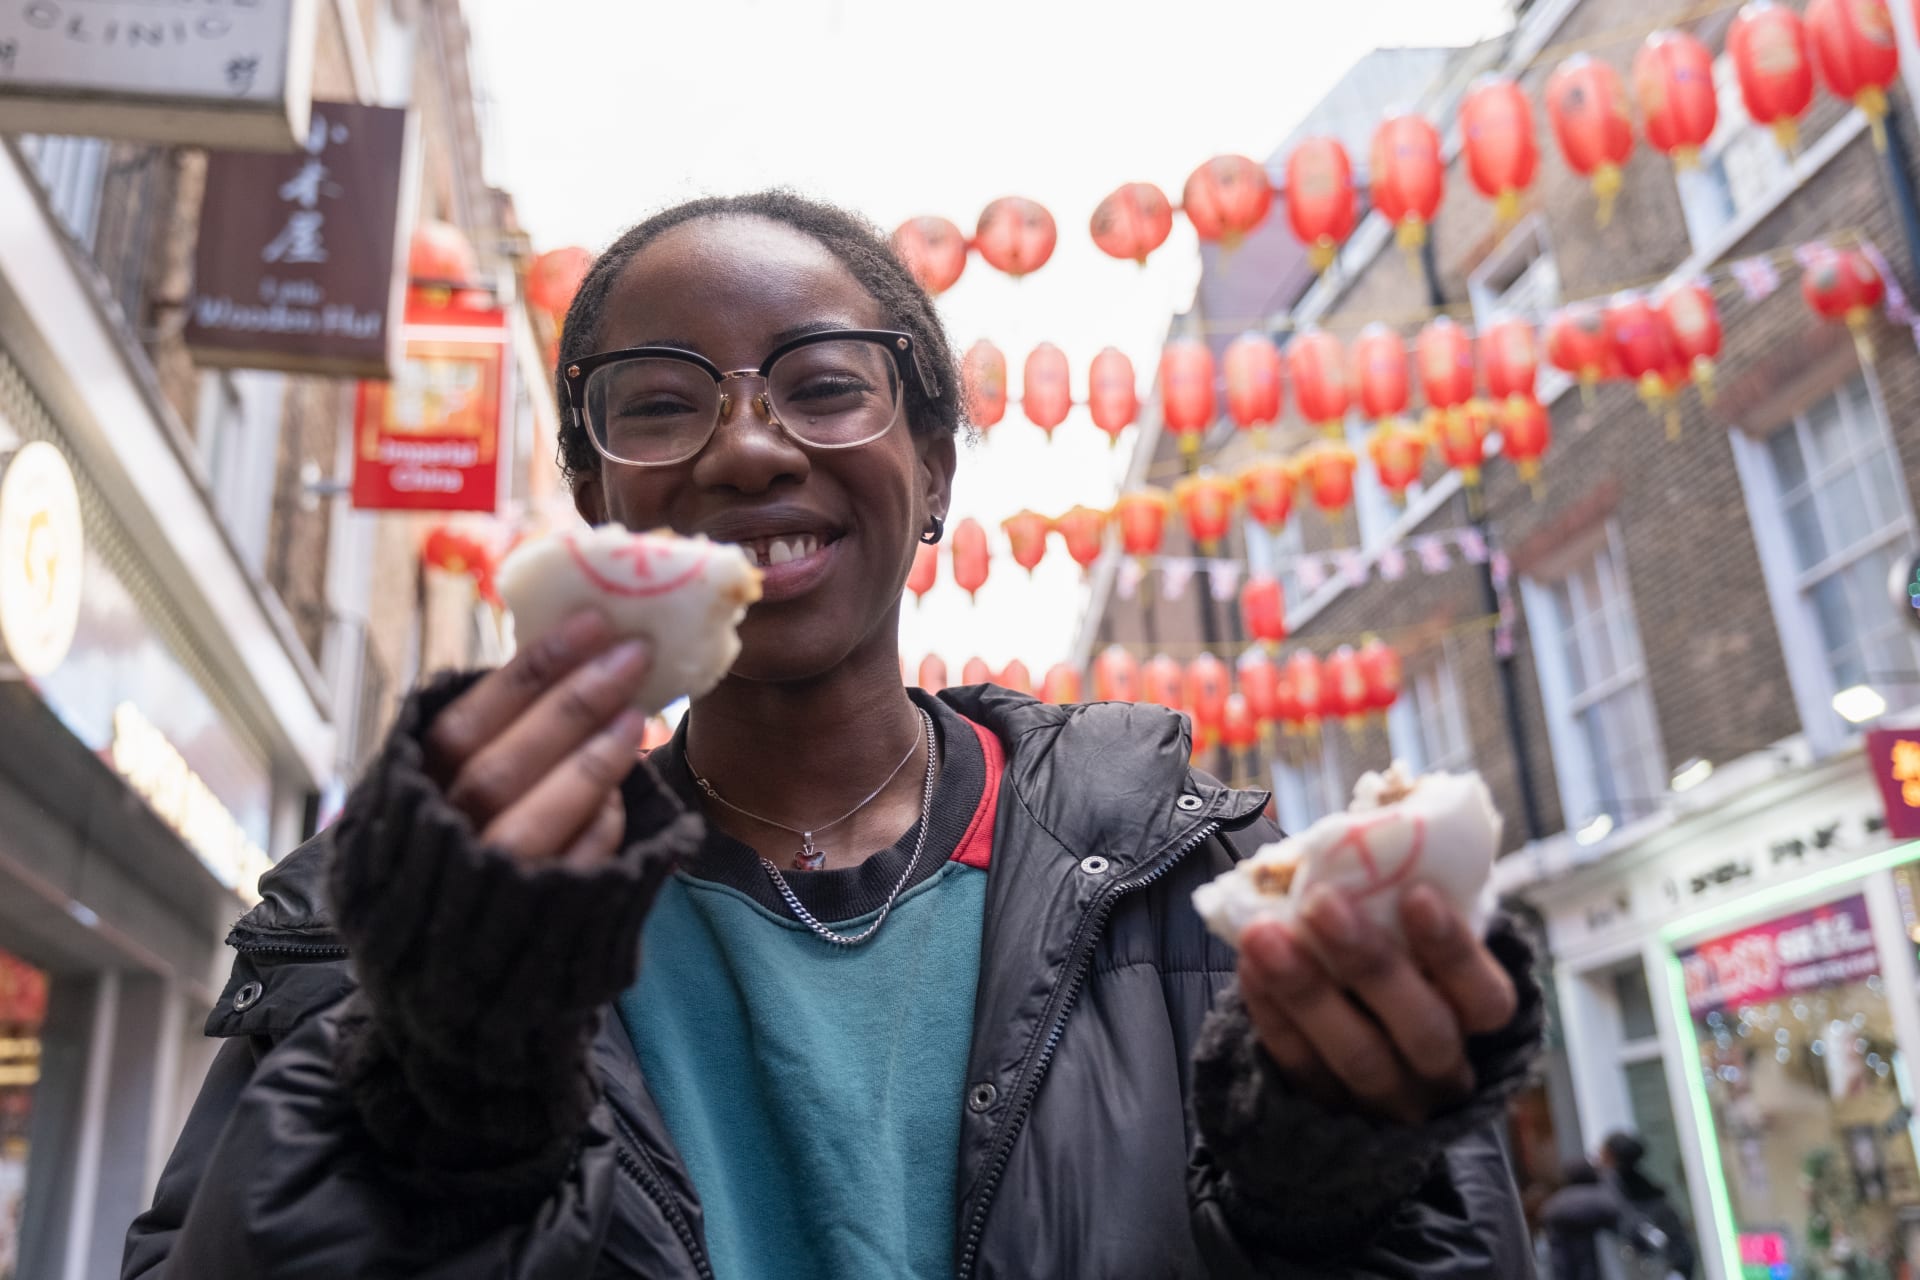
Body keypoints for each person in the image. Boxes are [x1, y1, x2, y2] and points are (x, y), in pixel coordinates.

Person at [123, 190, 1544, 1278]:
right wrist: (439, 1082)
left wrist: (1326, 1171)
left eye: (822, 386)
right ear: (597, 497)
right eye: (661, 404)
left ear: (932, 470)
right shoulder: (409, 929)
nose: (748, 448)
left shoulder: (1191, 892)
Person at [1602, 1130, 1697, 1280]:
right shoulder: (1637, 1191)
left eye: (1603, 1152)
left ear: (1610, 1156)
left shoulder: (1621, 1193)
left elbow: (1677, 1250)